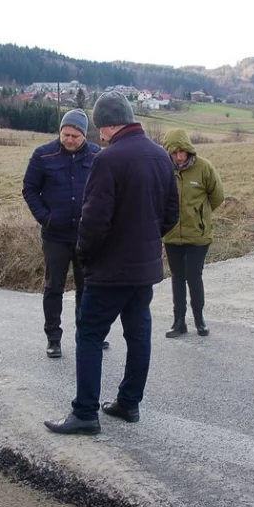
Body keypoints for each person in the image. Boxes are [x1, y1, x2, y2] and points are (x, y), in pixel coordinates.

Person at [45, 91, 179, 435]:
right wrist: (147, 241)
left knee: (89, 335)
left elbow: (94, 221)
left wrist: (86, 254)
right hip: (144, 269)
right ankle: (129, 402)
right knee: (139, 335)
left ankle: (85, 412)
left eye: (99, 129)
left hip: (109, 270)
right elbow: (170, 215)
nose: (98, 136)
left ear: (108, 125)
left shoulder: (108, 159)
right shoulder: (161, 157)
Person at [22, 108, 106, 358]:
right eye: (65, 134)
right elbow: (29, 189)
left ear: (84, 136)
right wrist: (46, 218)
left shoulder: (96, 155)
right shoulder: (43, 155)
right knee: (53, 286)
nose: (69, 139)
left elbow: (105, 188)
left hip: (85, 234)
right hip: (55, 236)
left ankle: (88, 335)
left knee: (87, 287)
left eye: (75, 135)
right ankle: (53, 338)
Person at [160, 129, 225, 338]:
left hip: (198, 235)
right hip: (171, 234)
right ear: (168, 152)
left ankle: (199, 319)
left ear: (189, 149)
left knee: (194, 276)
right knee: (177, 277)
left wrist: (200, 216)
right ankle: (179, 321)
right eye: (174, 152)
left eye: (183, 151)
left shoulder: (203, 167)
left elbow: (217, 196)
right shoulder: (162, 169)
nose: (179, 156)